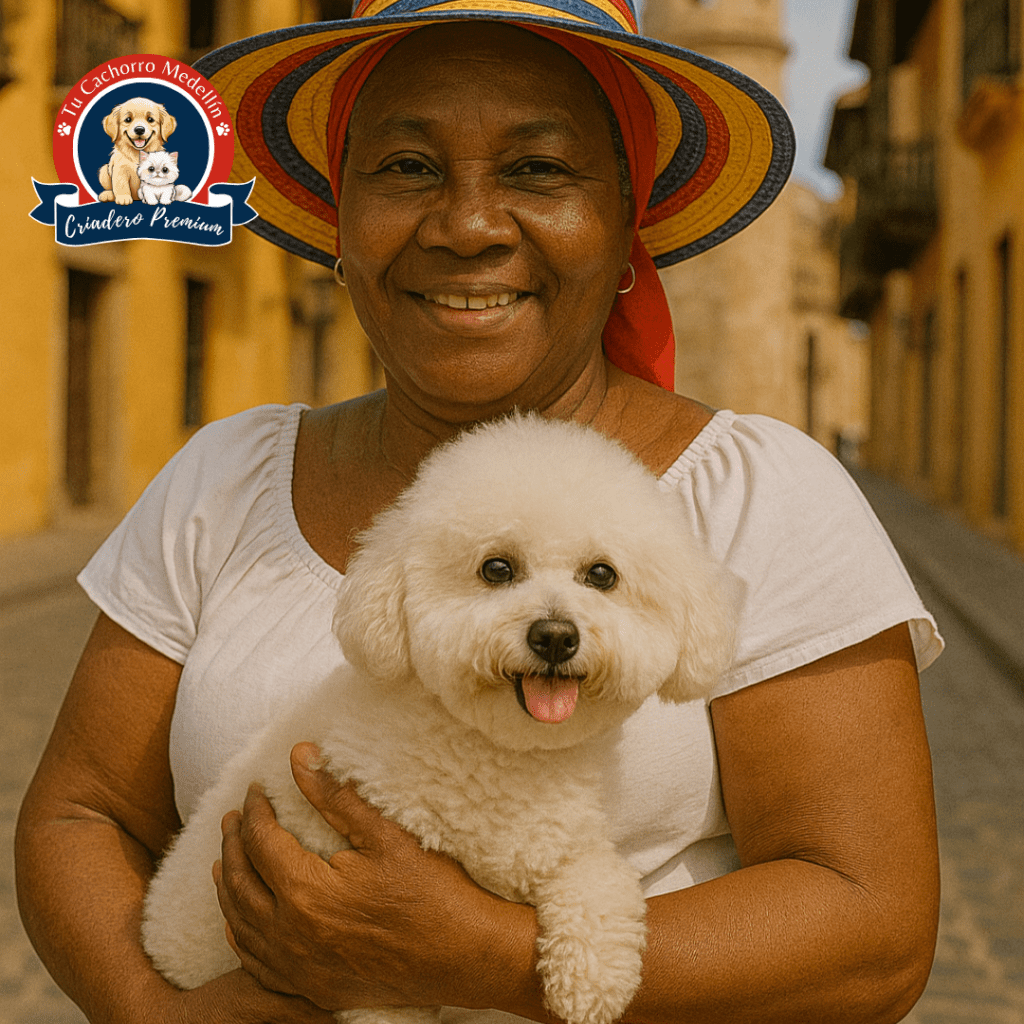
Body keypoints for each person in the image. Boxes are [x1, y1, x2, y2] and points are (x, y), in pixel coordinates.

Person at [16, 2, 944, 1022]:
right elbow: (79, 813)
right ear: (339, 221)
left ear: (625, 226)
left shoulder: (760, 495)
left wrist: (484, 958)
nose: (467, 226)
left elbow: (872, 937)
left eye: (538, 169)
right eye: (407, 167)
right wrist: (153, 1012)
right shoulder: (223, 477)